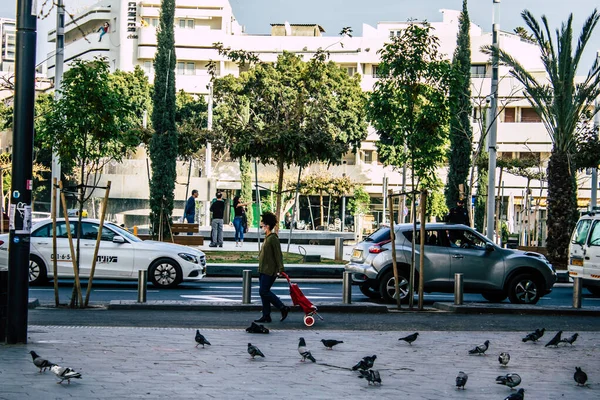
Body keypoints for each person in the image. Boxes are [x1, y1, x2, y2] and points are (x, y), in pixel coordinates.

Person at [255, 212, 290, 323]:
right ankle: (266, 315)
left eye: (263, 226)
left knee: (264, 291)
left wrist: (281, 269)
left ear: (268, 226)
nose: (262, 228)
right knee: (263, 292)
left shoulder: (273, 238)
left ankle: (282, 307)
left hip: (269, 270)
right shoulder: (267, 237)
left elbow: (278, 255)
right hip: (263, 269)